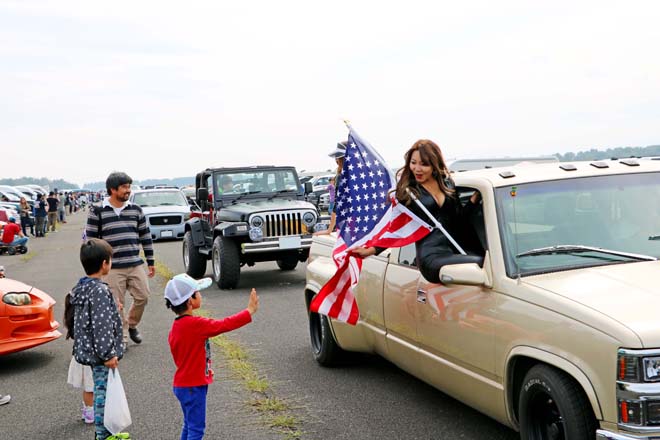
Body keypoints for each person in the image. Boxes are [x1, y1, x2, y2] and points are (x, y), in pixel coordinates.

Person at [352, 139, 484, 283]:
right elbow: (392, 227)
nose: (417, 169)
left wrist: (472, 201)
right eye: (413, 163)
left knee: (489, 263)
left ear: (434, 165)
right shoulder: (408, 193)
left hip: (456, 250)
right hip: (431, 257)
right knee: (482, 262)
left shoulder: (447, 183)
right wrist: (371, 250)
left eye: (424, 164)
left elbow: (458, 220)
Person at [165, 274, 259, 440]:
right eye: (198, 292)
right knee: (196, 430)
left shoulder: (176, 327)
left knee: (189, 425)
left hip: (183, 385)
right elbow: (224, 324)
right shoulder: (196, 325)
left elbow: (186, 358)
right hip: (193, 387)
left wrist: (204, 371)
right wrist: (249, 311)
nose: (201, 295)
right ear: (190, 301)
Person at [85, 172, 155, 350]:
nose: (128, 191)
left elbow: (145, 236)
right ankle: (122, 339)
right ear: (112, 189)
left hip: (134, 263)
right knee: (117, 305)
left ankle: (131, 325)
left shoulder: (136, 210)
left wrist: (150, 260)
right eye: (124, 187)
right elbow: (91, 241)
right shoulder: (98, 210)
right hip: (111, 268)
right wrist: (94, 267)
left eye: (129, 187)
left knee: (143, 297)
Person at [69, 238, 128, 440]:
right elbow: (101, 326)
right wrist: (108, 354)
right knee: (103, 394)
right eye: (110, 260)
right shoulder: (100, 290)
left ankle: (107, 432)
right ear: (104, 263)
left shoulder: (81, 287)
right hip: (100, 354)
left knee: (102, 391)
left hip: (87, 350)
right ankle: (103, 434)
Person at [63, 292, 95, 424]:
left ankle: (88, 410)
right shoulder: (86, 322)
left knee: (88, 388)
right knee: (92, 388)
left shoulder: (73, 322)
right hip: (91, 359)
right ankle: (92, 412)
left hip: (81, 358)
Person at [314, 141, 346, 235]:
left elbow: (337, 204)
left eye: (337, 158)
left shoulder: (341, 176)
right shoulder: (357, 175)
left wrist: (329, 230)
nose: (336, 160)